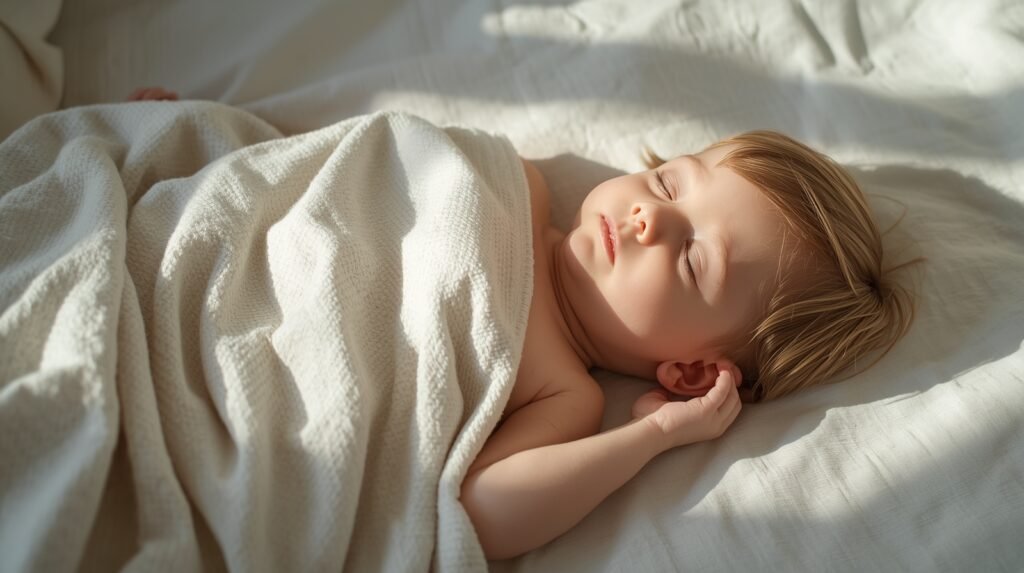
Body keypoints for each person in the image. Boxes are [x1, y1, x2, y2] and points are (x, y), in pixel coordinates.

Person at [126, 88, 916, 559]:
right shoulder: (514, 181)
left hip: (237, 396)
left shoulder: (564, 392)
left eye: (691, 261)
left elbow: (486, 513)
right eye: (672, 182)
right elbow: (345, 167)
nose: (649, 218)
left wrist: (655, 437)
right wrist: (217, 139)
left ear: (693, 371)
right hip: (195, 263)